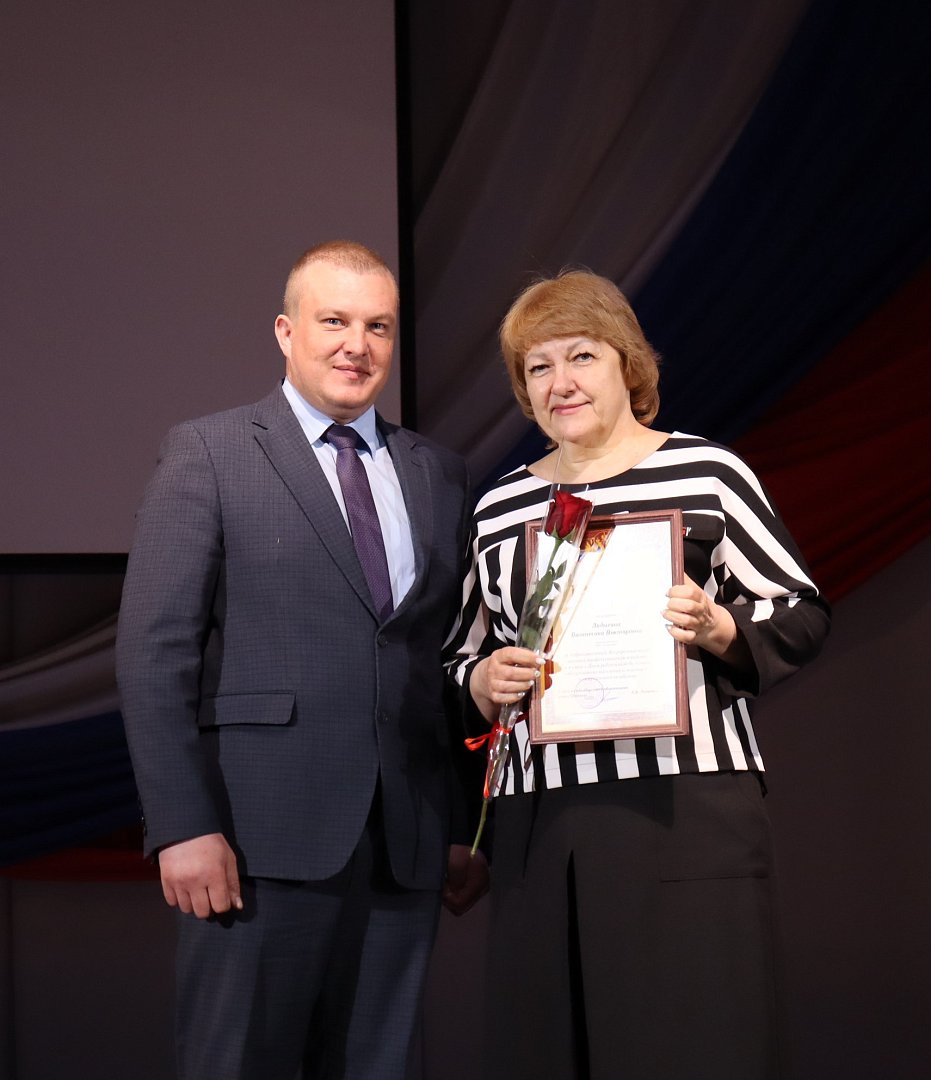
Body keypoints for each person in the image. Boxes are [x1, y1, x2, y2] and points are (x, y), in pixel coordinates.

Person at [445, 270, 831, 1079]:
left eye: (581, 356)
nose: (560, 382)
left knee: (700, 1044)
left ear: (627, 363)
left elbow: (798, 611)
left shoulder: (707, 473)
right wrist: (481, 682)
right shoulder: (498, 508)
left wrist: (721, 627)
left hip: (685, 806)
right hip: (540, 821)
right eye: (537, 367)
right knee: (554, 1050)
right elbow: (460, 656)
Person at [116, 240, 487, 1080]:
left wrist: (461, 826)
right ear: (286, 332)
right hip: (254, 841)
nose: (357, 344)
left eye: (378, 326)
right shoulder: (209, 452)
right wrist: (181, 824)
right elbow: (153, 654)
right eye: (334, 321)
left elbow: (443, 659)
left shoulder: (438, 472)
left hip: (403, 846)